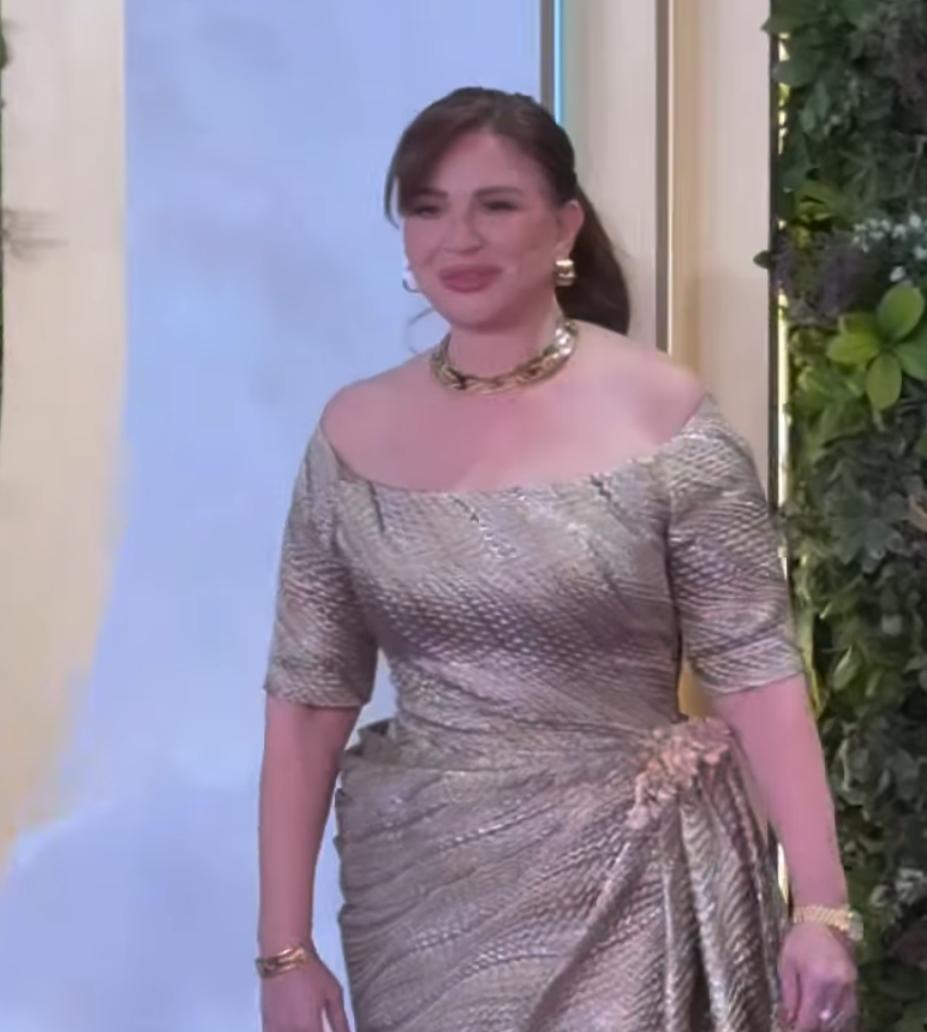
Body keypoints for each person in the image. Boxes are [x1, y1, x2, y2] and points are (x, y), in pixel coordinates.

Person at [256, 87, 858, 1032]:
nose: (459, 238)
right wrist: (283, 953)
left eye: (495, 205)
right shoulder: (350, 434)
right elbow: (306, 703)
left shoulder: (663, 415)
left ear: (563, 225)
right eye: (428, 207)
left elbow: (755, 673)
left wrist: (820, 910)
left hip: (633, 883)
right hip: (422, 895)